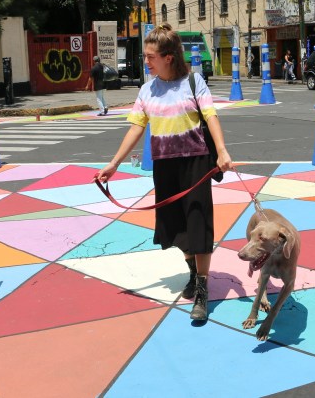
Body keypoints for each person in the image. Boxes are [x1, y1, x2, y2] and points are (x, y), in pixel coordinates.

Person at [93, 23, 233, 322]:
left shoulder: (194, 83)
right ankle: (194, 273)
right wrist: (114, 163)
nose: (146, 61)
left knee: (198, 223)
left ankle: (203, 289)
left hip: (195, 162)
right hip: (164, 165)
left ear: (168, 56)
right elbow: (136, 127)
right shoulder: (147, 89)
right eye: (145, 56)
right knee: (175, 226)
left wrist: (221, 151)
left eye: (150, 56)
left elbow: (211, 117)